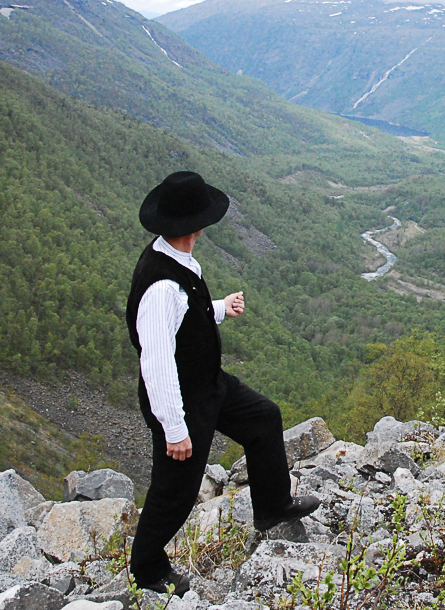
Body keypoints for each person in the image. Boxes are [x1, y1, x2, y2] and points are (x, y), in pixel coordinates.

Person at [125, 171, 319, 596]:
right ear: (196, 226)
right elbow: (156, 362)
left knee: (263, 418)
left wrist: (217, 308)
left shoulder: (175, 263)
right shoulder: (160, 285)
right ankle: (147, 569)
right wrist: (175, 429)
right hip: (181, 400)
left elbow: (184, 316)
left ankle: (272, 506)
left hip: (207, 384)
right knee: (174, 491)